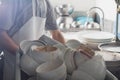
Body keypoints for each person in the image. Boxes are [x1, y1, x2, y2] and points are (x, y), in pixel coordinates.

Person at [0, 0, 65, 80]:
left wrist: (66, 54)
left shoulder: (45, 3)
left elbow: (56, 34)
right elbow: (1, 35)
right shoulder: (12, 2)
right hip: (14, 63)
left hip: (38, 64)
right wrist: (24, 56)